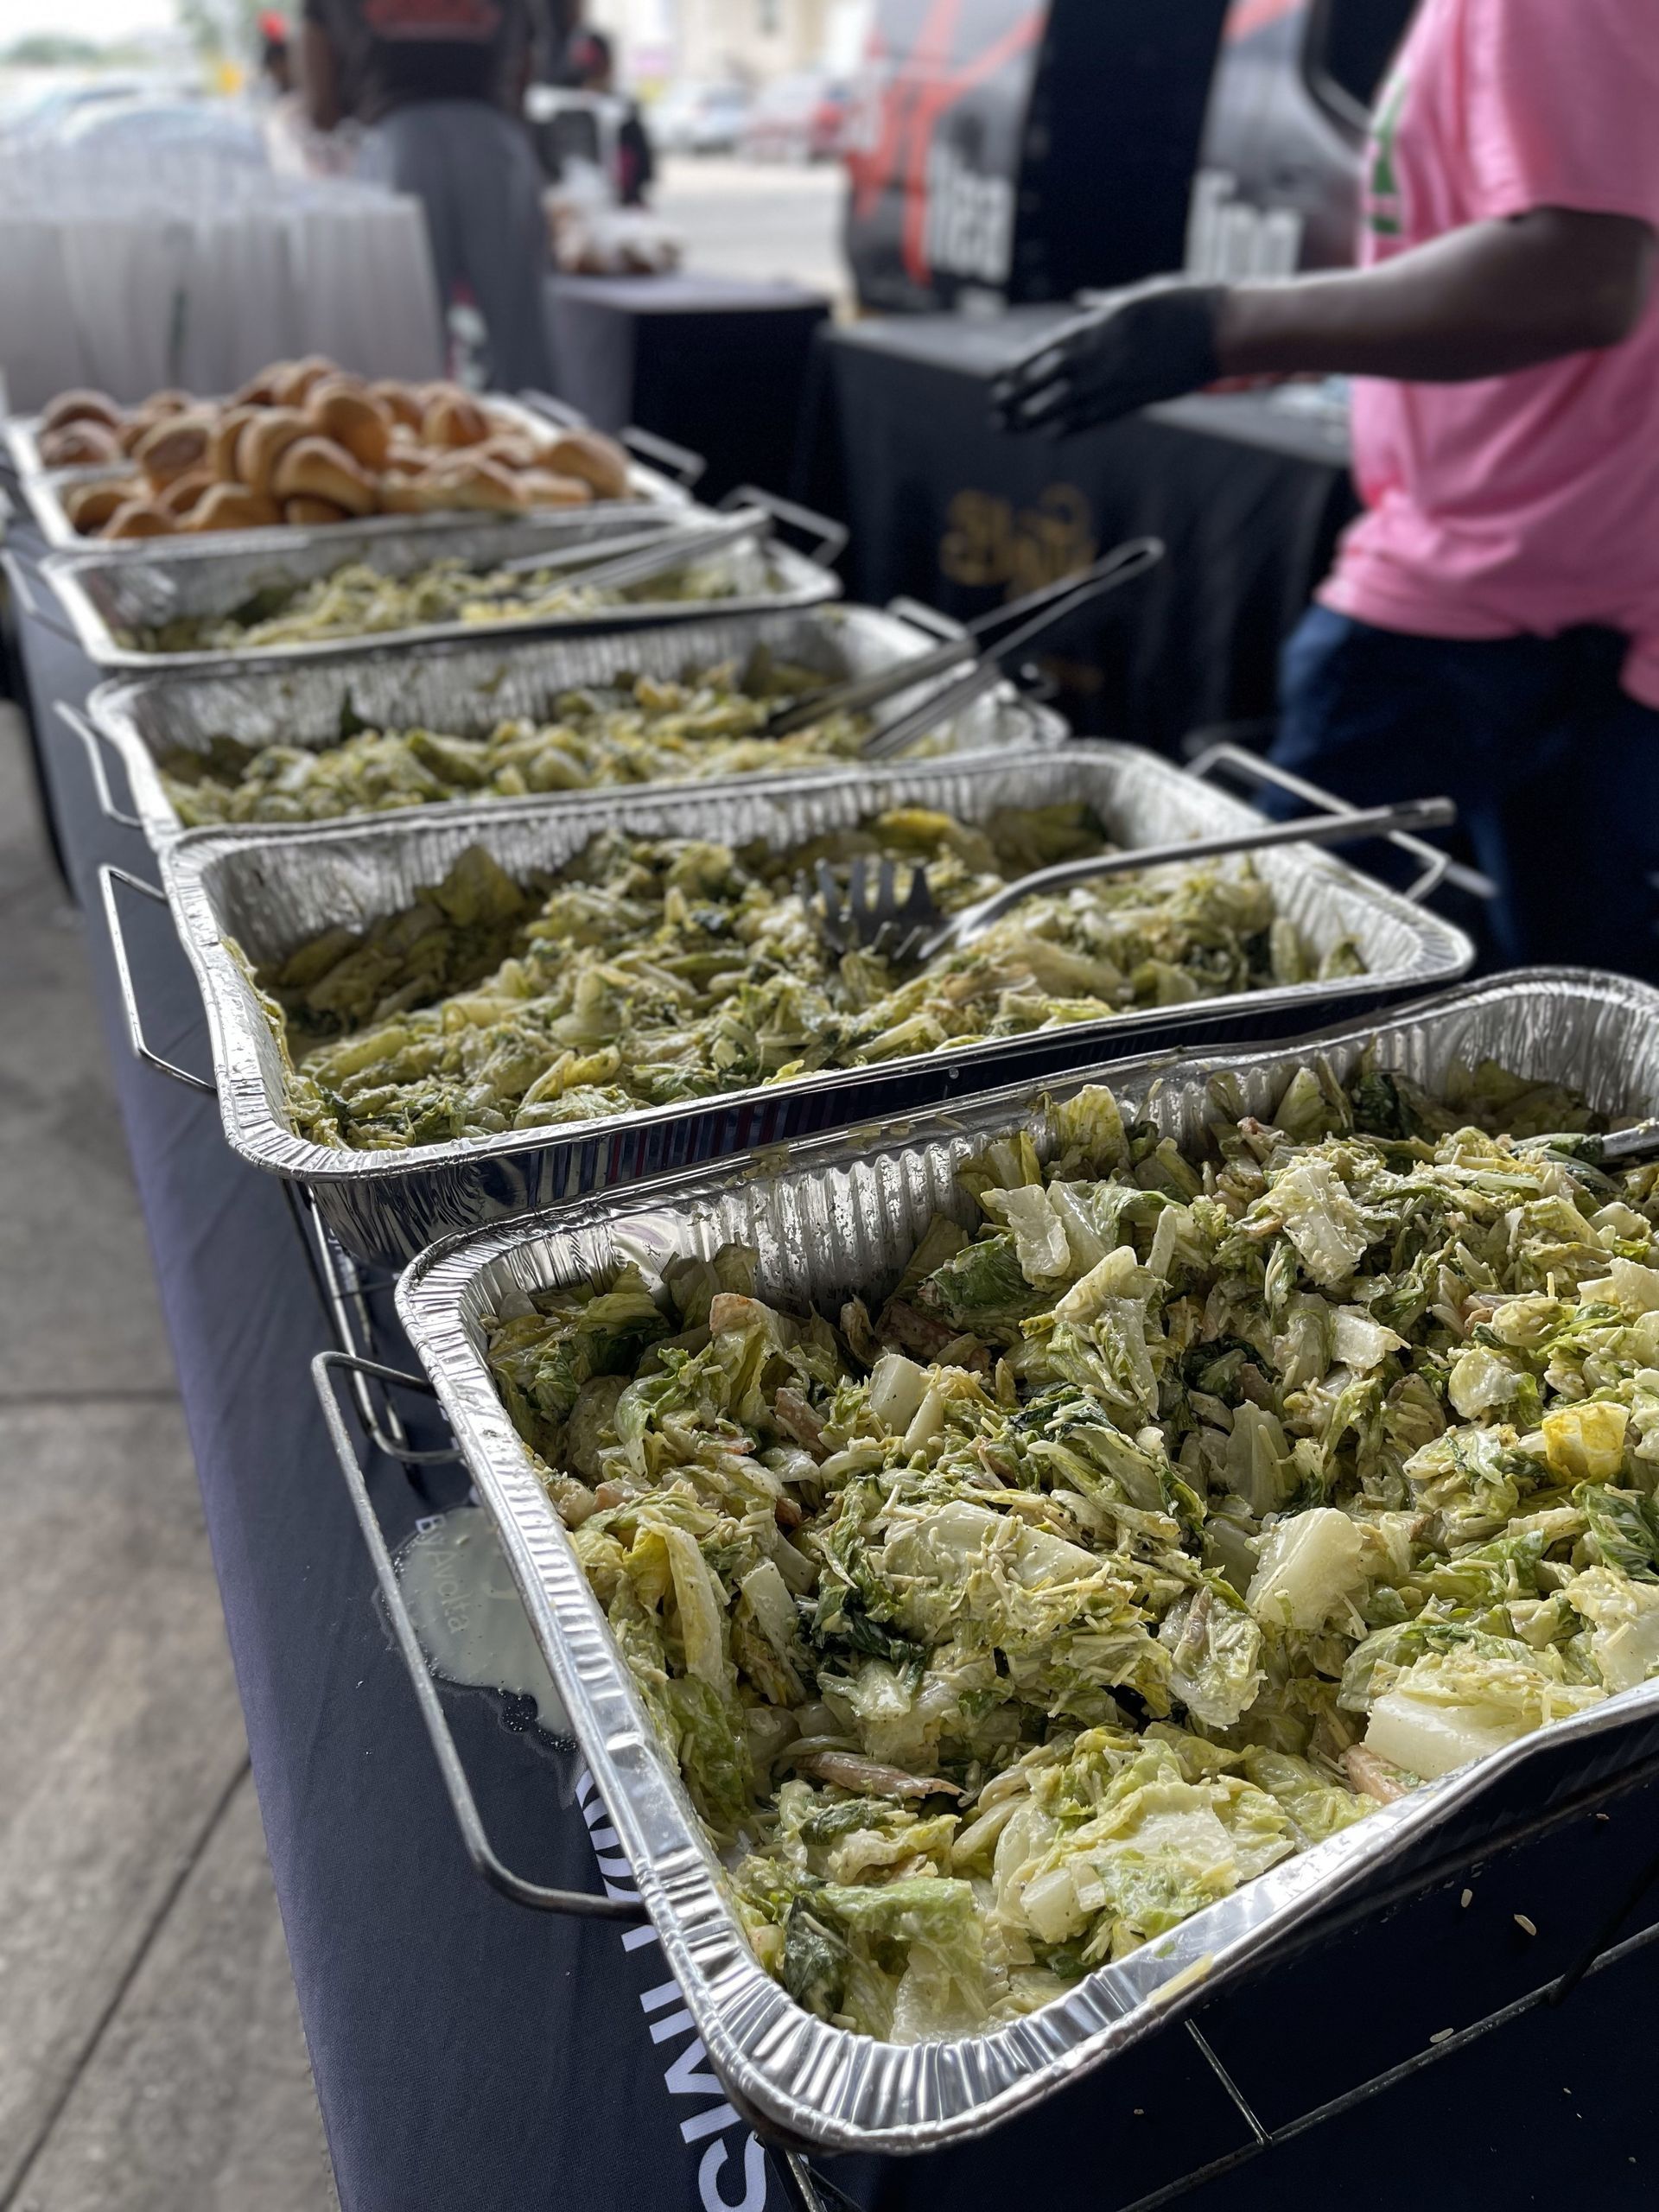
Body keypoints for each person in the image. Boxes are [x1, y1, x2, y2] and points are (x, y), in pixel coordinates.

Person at [993, 0, 1659, 978]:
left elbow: (1582, 278)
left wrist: (1223, 325)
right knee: (1581, 995)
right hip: (1566, 563)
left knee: (1264, 964)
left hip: (1495, 575)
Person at [301, 0, 555, 390]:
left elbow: (321, 107)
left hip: (394, 147)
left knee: (405, 347)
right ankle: (539, 445)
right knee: (523, 346)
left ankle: (414, 442)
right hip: (493, 143)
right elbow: (523, 63)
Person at [564, 26, 654, 207]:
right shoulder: (622, 109)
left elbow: (644, 169)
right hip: (610, 205)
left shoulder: (561, 109)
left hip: (615, 204)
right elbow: (646, 170)